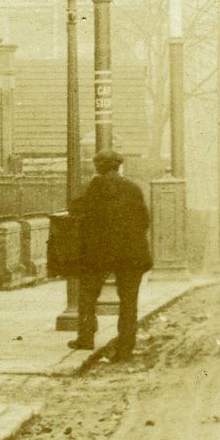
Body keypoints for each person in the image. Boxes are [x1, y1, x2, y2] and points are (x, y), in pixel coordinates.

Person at [70, 150, 155, 360]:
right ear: (118, 166)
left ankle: (86, 338)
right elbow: (144, 219)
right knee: (128, 301)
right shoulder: (133, 188)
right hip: (132, 254)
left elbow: (77, 209)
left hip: (101, 253)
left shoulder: (97, 187)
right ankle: (125, 350)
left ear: (99, 167)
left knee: (88, 295)